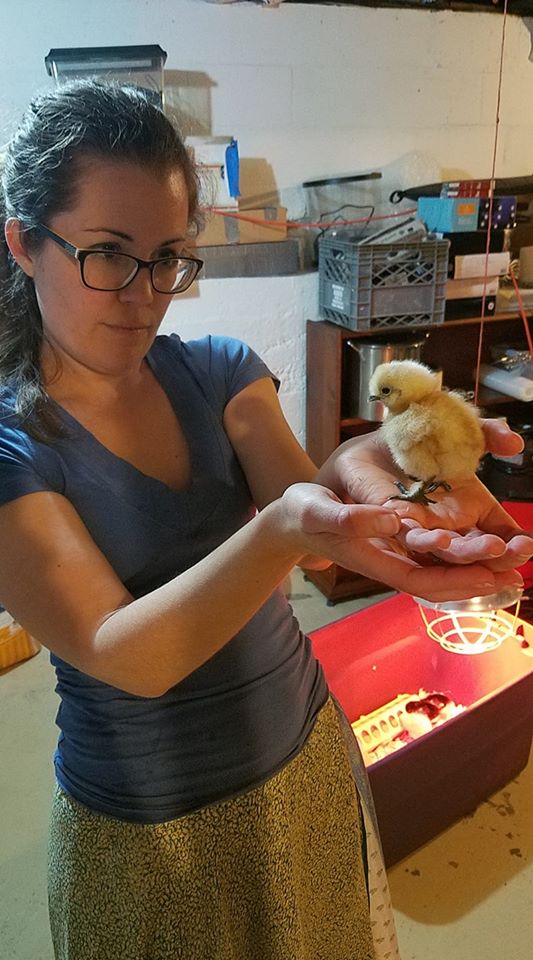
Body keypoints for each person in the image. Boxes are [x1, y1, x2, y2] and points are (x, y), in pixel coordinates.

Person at [0, 80, 531, 960]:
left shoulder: (216, 369)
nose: (144, 292)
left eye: (168, 256)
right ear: (24, 244)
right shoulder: (18, 448)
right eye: (107, 254)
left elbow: (316, 519)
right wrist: (283, 529)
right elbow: (124, 652)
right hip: (146, 831)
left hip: (302, 758)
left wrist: (385, 466)